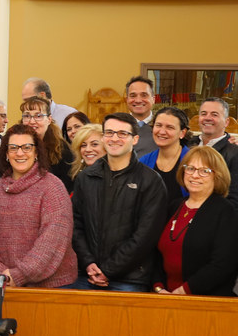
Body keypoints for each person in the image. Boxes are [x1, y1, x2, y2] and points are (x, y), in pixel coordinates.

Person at [70, 113, 168, 291]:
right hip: (87, 275)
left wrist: (108, 270)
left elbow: (145, 236)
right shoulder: (86, 177)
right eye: (109, 133)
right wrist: (88, 263)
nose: (114, 138)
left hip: (130, 279)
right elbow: (76, 224)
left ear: (135, 139)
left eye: (122, 134)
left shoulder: (150, 181)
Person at [0, 124, 77, 288]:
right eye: (13, 148)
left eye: (27, 147)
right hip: (3, 284)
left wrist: (18, 275)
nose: (20, 153)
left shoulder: (52, 187)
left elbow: (52, 240)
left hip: (52, 287)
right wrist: (1, 273)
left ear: (36, 152)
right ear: (6, 153)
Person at [152, 146, 238, 296]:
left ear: (217, 176)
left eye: (205, 171)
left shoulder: (225, 211)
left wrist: (184, 291)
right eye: (190, 168)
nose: (195, 175)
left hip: (206, 301)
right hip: (165, 297)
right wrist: (159, 287)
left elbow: (223, 264)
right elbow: (156, 254)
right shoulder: (174, 206)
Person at [19, 96, 74, 193]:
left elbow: (68, 186)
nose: (32, 121)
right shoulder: (12, 145)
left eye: (38, 116)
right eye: (27, 116)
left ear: (49, 119)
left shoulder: (62, 149)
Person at [138, 107, 191, 202]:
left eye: (169, 127)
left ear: (182, 133)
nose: (162, 132)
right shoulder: (144, 162)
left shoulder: (194, 161)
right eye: (158, 125)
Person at [195, 98, 238, 210]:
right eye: (204, 113)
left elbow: (234, 200)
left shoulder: (234, 153)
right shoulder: (188, 144)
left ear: (226, 122)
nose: (208, 118)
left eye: (214, 114)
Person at [125, 76, 156, 158]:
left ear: (153, 99)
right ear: (127, 99)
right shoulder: (118, 127)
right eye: (133, 95)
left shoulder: (162, 127)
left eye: (144, 95)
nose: (138, 100)